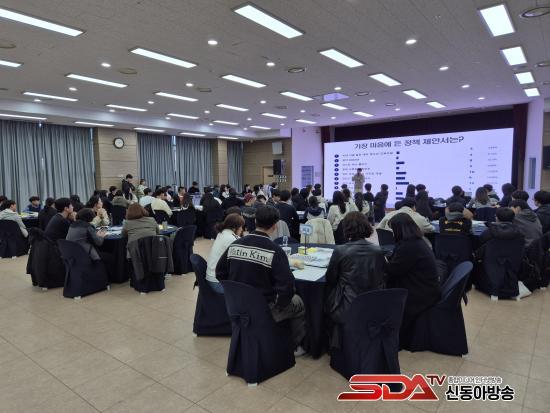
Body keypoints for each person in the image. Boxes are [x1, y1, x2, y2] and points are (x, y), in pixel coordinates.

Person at [216, 206, 306, 355]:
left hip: (236, 306)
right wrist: (278, 305)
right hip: (263, 309)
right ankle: (295, 346)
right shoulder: (275, 250)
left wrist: (234, 293)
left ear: (255, 221)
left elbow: (220, 272)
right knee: (299, 303)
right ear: (275, 226)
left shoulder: (235, 244)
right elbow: (287, 287)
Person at [324, 212, 385, 349]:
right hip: (372, 302)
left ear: (346, 228)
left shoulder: (340, 251)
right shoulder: (377, 251)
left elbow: (330, 279)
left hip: (346, 303)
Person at [386, 213, 440, 347]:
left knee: (385, 287)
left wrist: (382, 261)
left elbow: (393, 270)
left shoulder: (409, 247)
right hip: (426, 286)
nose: (392, 234)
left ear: (400, 230)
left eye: (393, 230)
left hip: (420, 292)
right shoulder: (416, 241)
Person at [206, 213, 245, 293]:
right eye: (241, 227)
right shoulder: (230, 239)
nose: (242, 229)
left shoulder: (222, 233)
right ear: (234, 228)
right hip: (217, 282)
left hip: (212, 277)